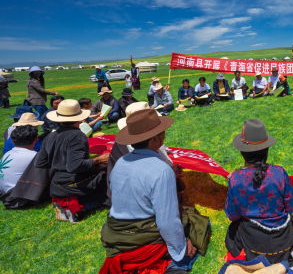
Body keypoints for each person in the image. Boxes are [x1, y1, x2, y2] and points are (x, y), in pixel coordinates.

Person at [100, 108, 198, 274]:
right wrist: (181, 250)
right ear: (155, 138)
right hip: (145, 240)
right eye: (162, 132)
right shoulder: (161, 170)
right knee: (198, 223)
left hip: (116, 235)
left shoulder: (121, 162)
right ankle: (175, 267)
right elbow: (167, 222)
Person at [224, 119, 293, 268]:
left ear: (242, 152)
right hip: (283, 241)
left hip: (254, 243)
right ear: (266, 150)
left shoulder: (236, 178)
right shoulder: (279, 173)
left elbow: (232, 215)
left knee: (232, 231)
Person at [35, 99, 109, 222]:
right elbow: (75, 166)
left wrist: (60, 161)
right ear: (80, 118)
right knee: (106, 175)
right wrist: (99, 159)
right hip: (73, 184)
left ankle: (68, 205)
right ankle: (82, 206)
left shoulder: (51, 136)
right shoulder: (77, 135)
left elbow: (40, 163)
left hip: (56, 184)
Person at [0, 125, 38, 194]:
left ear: (14, 142)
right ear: (36, 140)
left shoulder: (7, 154)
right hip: (18, 195)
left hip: (4, 192)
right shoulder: (34, 156)